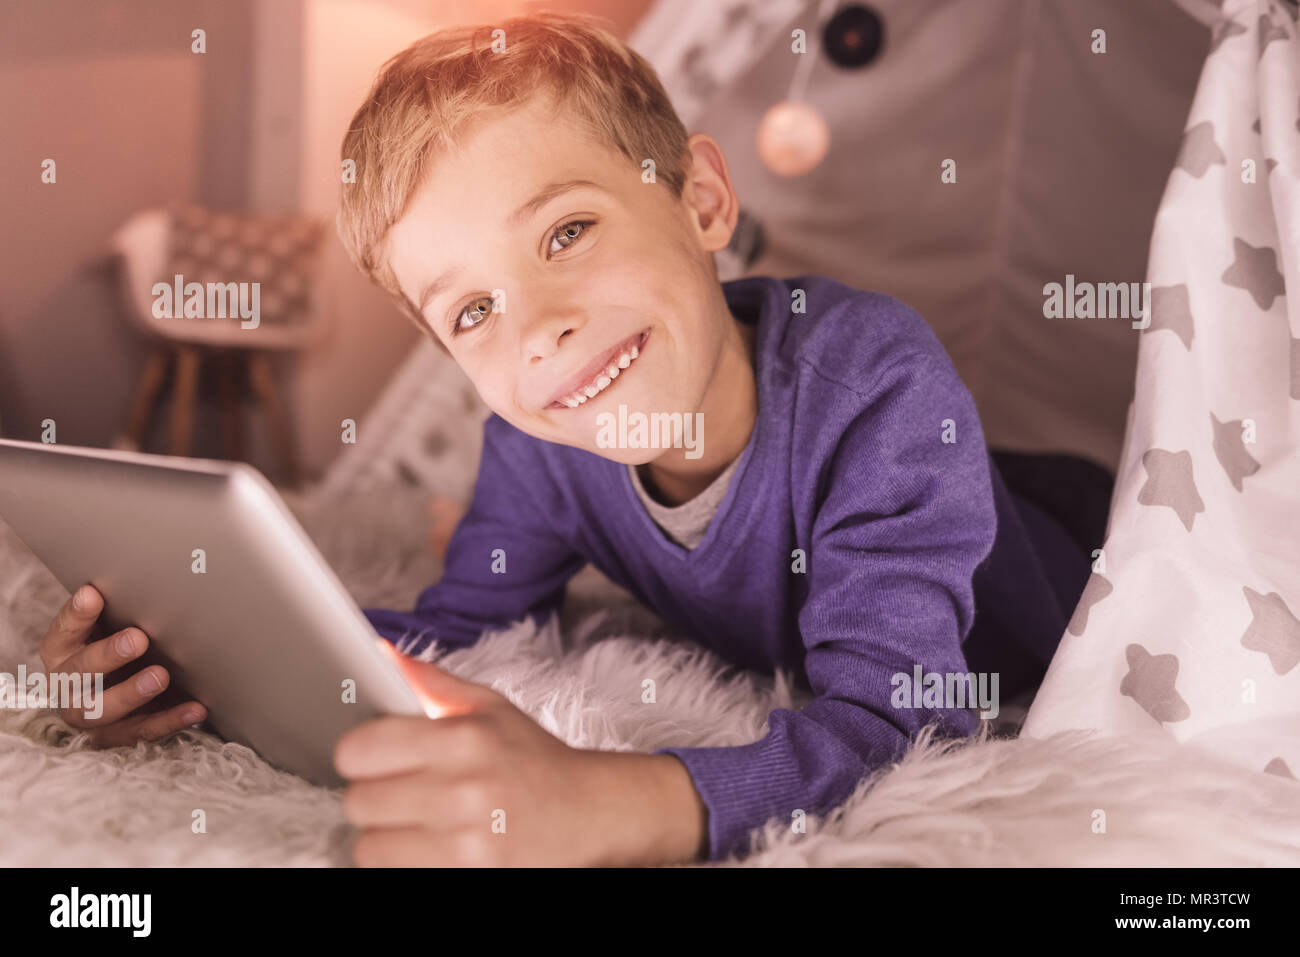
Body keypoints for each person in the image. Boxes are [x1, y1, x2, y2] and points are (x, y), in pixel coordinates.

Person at [39, 11, 1094, 866]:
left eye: (567, 232)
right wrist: (182, 658)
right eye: (470, 313)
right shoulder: (540, 443)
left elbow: (904, 726)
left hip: (1076, 548)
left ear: (702, 200)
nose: (538, 329)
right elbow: (463, 625)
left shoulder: (875, 388)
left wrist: (615, 803)